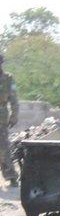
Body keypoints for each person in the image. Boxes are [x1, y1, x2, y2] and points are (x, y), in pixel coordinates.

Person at [0, 54, 18, 187]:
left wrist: (14, 115)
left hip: (1, 115)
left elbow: (14, 99)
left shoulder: (7, 78)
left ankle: (11, 175)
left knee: (4, 147)